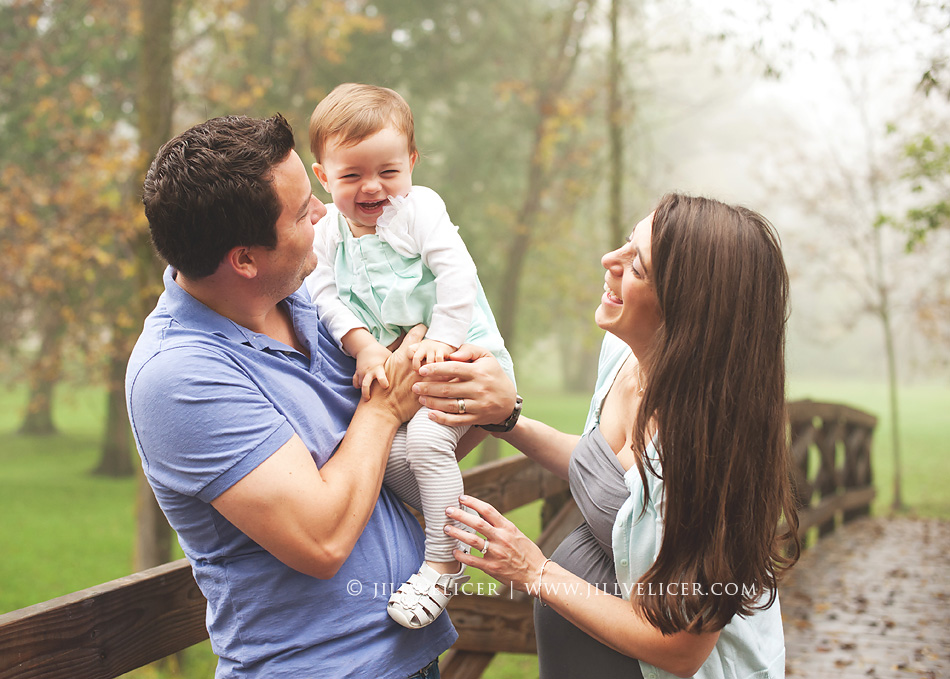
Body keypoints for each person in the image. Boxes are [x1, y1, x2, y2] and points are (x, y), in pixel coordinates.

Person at [126, 113, 518, 678]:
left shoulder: (311, 303)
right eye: (301, 210)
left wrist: (498, 409)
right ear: (245, 258)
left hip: (413, 656)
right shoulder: (180, 376)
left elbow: (397, 461)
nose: (322, 213)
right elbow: (322, 540)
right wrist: (383, 408)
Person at [421, 193, 801, 678]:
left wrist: (533, 570)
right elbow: (603, 470)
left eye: (637, 266)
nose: (609, 261)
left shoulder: (708, 455)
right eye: (626, 243)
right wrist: (508, 420)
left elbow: (679, 649)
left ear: (687, 308)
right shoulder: (621, 357)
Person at [305, 83, 516, 629]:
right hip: (404, 365)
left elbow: (457, 274)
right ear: (323, 177)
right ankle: (449, 528)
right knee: (391, 464)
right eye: (351, 176)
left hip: (463, 355)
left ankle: (444, 565)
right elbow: (323, 295)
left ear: (412, 163)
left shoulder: (420, 211)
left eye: (389, 171)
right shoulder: (327, 232)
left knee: (423, 441)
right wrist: (364, 345)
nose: (373, 187)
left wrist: (442, 340)